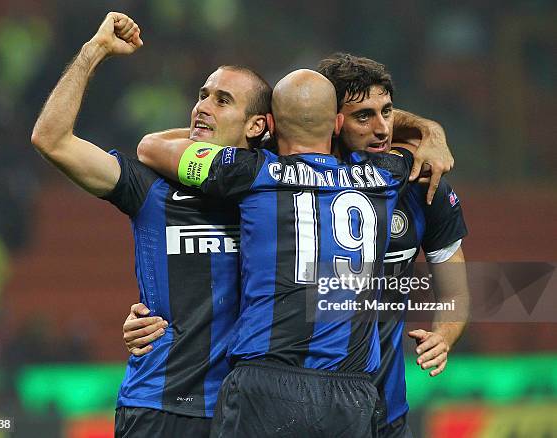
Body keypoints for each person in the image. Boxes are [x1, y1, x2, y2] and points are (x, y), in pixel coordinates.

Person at [30, 12, 272, 437]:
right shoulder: (151, 184)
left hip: (245, 410)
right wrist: (94, 51)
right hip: (159, 405)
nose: (202, 105)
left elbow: (341, 127)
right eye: (202, 95)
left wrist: (432, 135)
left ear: (257, 125)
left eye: (222, 100)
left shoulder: (277, 186)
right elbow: (51, 139)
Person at [136, 68, 415, 437]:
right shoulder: (388, 174)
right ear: (336, 123)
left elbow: (149, 147)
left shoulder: (250, 172)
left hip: (266, 384)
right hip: (351, 391)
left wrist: (262, 135)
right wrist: (433, 134)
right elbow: (409, 143)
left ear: (269, 123)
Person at [317, 52, 469, 437]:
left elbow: (455, 293)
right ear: (330, 121)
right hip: (306, 404)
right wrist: (429, 131)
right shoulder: (287, 175)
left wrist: (443, 335)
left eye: (387, 111)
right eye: (364, 116)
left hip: (385, 406)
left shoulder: (424, 186)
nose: (382, 128)